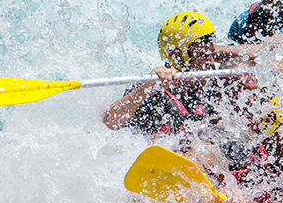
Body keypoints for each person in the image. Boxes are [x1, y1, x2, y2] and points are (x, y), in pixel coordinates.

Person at [103, 11, 250, 138]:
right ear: (177, 56)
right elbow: (109, 121)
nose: (211, 62)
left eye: (212, 54)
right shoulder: (154, 92)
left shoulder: (206, 91)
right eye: (204, 55)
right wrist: (148, 87)